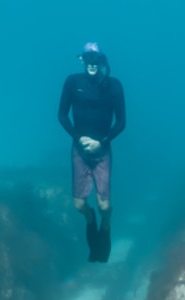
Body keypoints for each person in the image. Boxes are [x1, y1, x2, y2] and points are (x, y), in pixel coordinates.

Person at [57, 42, 125, 262]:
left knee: (105, 205)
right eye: (88, 59)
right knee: (79, 205)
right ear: (82, 60)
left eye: (96, 60)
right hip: (79, 150)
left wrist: (102, 142)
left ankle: (105, 226)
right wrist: (79, 138)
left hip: (103, 151)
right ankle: (90, 220)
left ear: (102, 61)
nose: (92, 64)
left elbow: (122, 122)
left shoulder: (114, 86)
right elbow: (62, 115)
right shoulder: (72, 82)